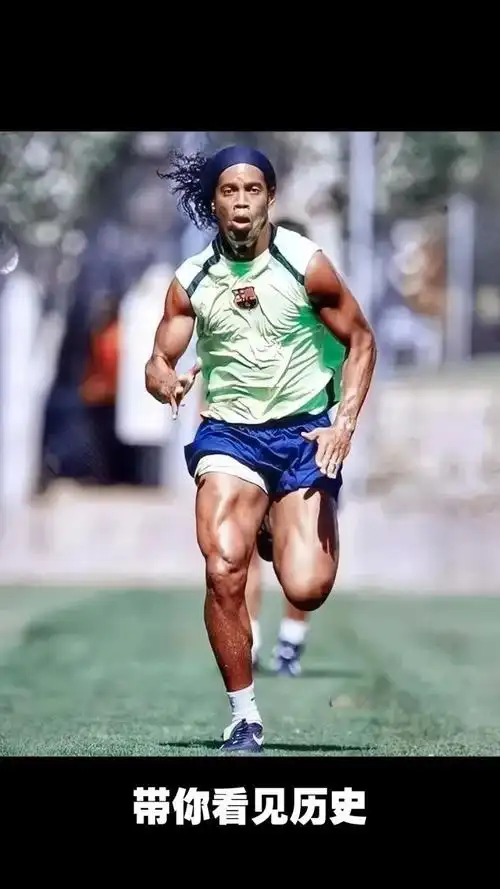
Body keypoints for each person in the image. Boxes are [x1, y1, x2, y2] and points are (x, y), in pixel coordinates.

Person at [145, 145, 377, 753]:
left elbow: (361, 341)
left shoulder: (307, 266)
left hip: (302, 434)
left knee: (306, 588)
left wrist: (344, 424)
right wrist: (163, 378)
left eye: (253, 190)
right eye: (230, 191)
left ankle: (276, 523)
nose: (242, 202)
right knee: (223, 564)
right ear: (214, 202)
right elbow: (160, 358)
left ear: (271, 198)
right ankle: (243, 717)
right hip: (230, 434)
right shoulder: (192, 280)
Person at [193, 216, 347, 678]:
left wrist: (343, 425)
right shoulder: (240, 296)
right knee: (236, 551)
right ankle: (254, 639)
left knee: (299, 558)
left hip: (308, 440)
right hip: (243, 439)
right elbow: (222, 363)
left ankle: (290, 644)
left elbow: (357, 352)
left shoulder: (322, 301)